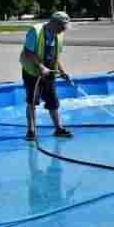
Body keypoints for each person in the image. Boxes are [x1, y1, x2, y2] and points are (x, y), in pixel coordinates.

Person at [20, 12, 74, 142]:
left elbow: (55, 56)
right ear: (54, 23)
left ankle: (59, 129)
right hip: (32, 71)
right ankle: (31, 131)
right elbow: (28, 52)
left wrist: (62, 72)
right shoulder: (35, 31)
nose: (64, 30)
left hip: (49, 71)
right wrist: (41, 68)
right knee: (32, 102)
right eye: (62, 27)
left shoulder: (59, 34)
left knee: (53, 101)